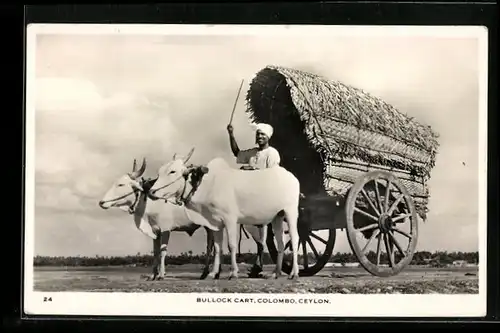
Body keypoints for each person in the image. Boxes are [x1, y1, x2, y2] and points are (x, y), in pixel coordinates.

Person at [226, 122, 281, 278]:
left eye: (262, 134)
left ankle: (259, 263)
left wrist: (253, 170)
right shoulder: (252, 153)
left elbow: (273, 175)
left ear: (268, 137)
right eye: (258, 134)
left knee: (262, 230)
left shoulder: (272, 153)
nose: (259, 137)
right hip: (250, 196)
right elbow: (237, 153)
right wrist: (231, 134)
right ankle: (256, 263)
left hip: (265, 194)